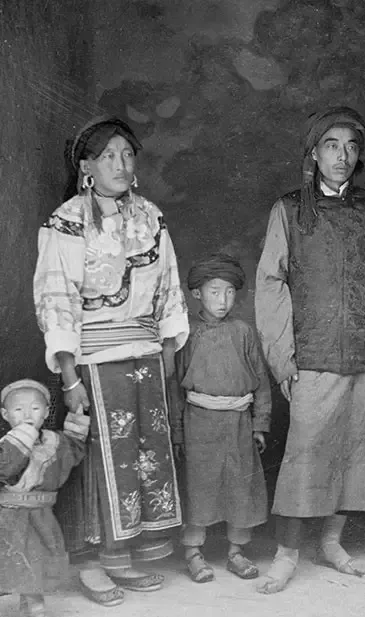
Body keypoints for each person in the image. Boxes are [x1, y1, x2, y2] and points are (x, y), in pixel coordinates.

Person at [33, 116, 189, 606]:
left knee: (143, 456)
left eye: (127, 155)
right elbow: (56, 297)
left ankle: (125, 556)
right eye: (108, 156)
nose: (120, 165)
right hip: (93, 363)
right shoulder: (66, 222)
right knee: (101, 458)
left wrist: (168, 350)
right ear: (86, 167)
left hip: (145, 355)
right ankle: (93, 564)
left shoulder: (150, 217)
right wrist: (68, 376)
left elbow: (169, 284)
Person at [255, 106, 365, 593]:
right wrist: (283, 360)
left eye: (351, 147)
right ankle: (286, 554)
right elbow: (270, 284)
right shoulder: (288, 210)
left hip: (363, 353)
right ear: (314, 154)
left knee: (357, 455)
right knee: (305, 457)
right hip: (312, 355)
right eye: (332, 146)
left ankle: (332, 542)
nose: (342, 156)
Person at [172, 253, 271, 583]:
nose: (222, 300)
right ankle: (193, 552)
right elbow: (174, 385)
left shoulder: (243, 332)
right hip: (199, 424)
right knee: (198, 487)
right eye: (214, 292)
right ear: (197, 293)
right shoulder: (186, 333)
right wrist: (178, 431)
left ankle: (236, 552)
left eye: (229, 292)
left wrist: (260, 424)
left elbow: (260, 380)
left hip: (238, 423)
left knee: (240, 487)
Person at [0, 379, 90, 617]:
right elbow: (5, 468)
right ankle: (31, 603)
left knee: (38, 558)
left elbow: (73, 449)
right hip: (9, 516)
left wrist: (77, 419)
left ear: (47, 412)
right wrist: (24, 437)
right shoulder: (5, 445)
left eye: (35, 408)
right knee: (15, 559)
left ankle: (32, 602)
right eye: (18, 409)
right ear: (5, 414)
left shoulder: (55, 441)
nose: (27, 415)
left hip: (42, 515)